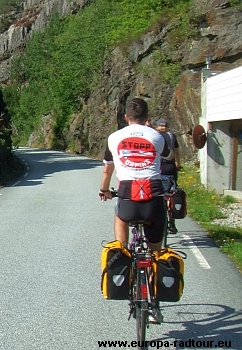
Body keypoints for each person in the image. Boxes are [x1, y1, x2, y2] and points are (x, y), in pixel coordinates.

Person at [99, 98, 172, 324]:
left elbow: (108, 170)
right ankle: (153, 305)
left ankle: (122, 254)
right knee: (155, 254)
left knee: (120, 217)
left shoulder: (114, 138)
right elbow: (168, 157)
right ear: (146, 116)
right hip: (153, 199)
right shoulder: (157, 137)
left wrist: (104, 190)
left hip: (128, 197)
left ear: (126, 117)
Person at [155, 118, 181, 233]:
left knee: (158, 195)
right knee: (172, 194)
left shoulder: (154, 136)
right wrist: (178, 165)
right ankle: (172, 223)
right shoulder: (172, 136)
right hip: (171, 169)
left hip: (158, 169)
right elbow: (176, 152)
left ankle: (157, 220)